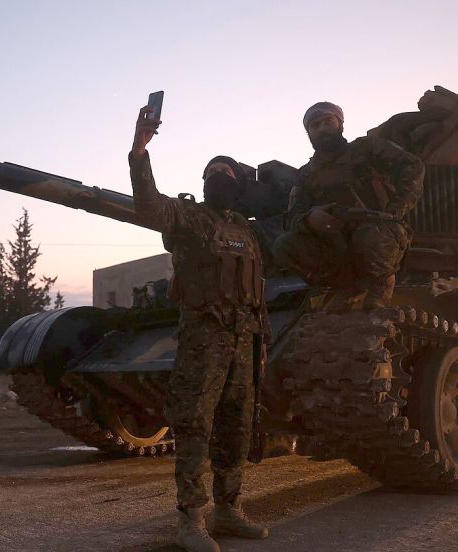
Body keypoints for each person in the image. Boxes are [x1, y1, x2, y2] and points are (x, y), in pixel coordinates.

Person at [129, 106, 269, 552]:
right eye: (210, 172)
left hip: (244, 340)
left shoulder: (247, 233)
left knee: (237, 425)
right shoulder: (191, 219)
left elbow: (257, 290)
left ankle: (228, 509)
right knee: (194, 425)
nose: (216, 176)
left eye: (224, 171)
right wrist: (139, 150)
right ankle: (191, 518)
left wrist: (260, 341)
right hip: (205, 338)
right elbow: (148, 206)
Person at [272, 102, 425, 310]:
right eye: (315, 125)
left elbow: (412, 166)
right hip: (335, 243)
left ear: (340, 123)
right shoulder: (306, 174)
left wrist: (397, 208)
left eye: (328, 121)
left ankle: (383, 281)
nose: (323, 128)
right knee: (284, 245)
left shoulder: (368, 149)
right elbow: (292, 218)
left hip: (381, 233)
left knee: (369, 237)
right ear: (308, 133)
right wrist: (310, 219)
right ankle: (345, 286)